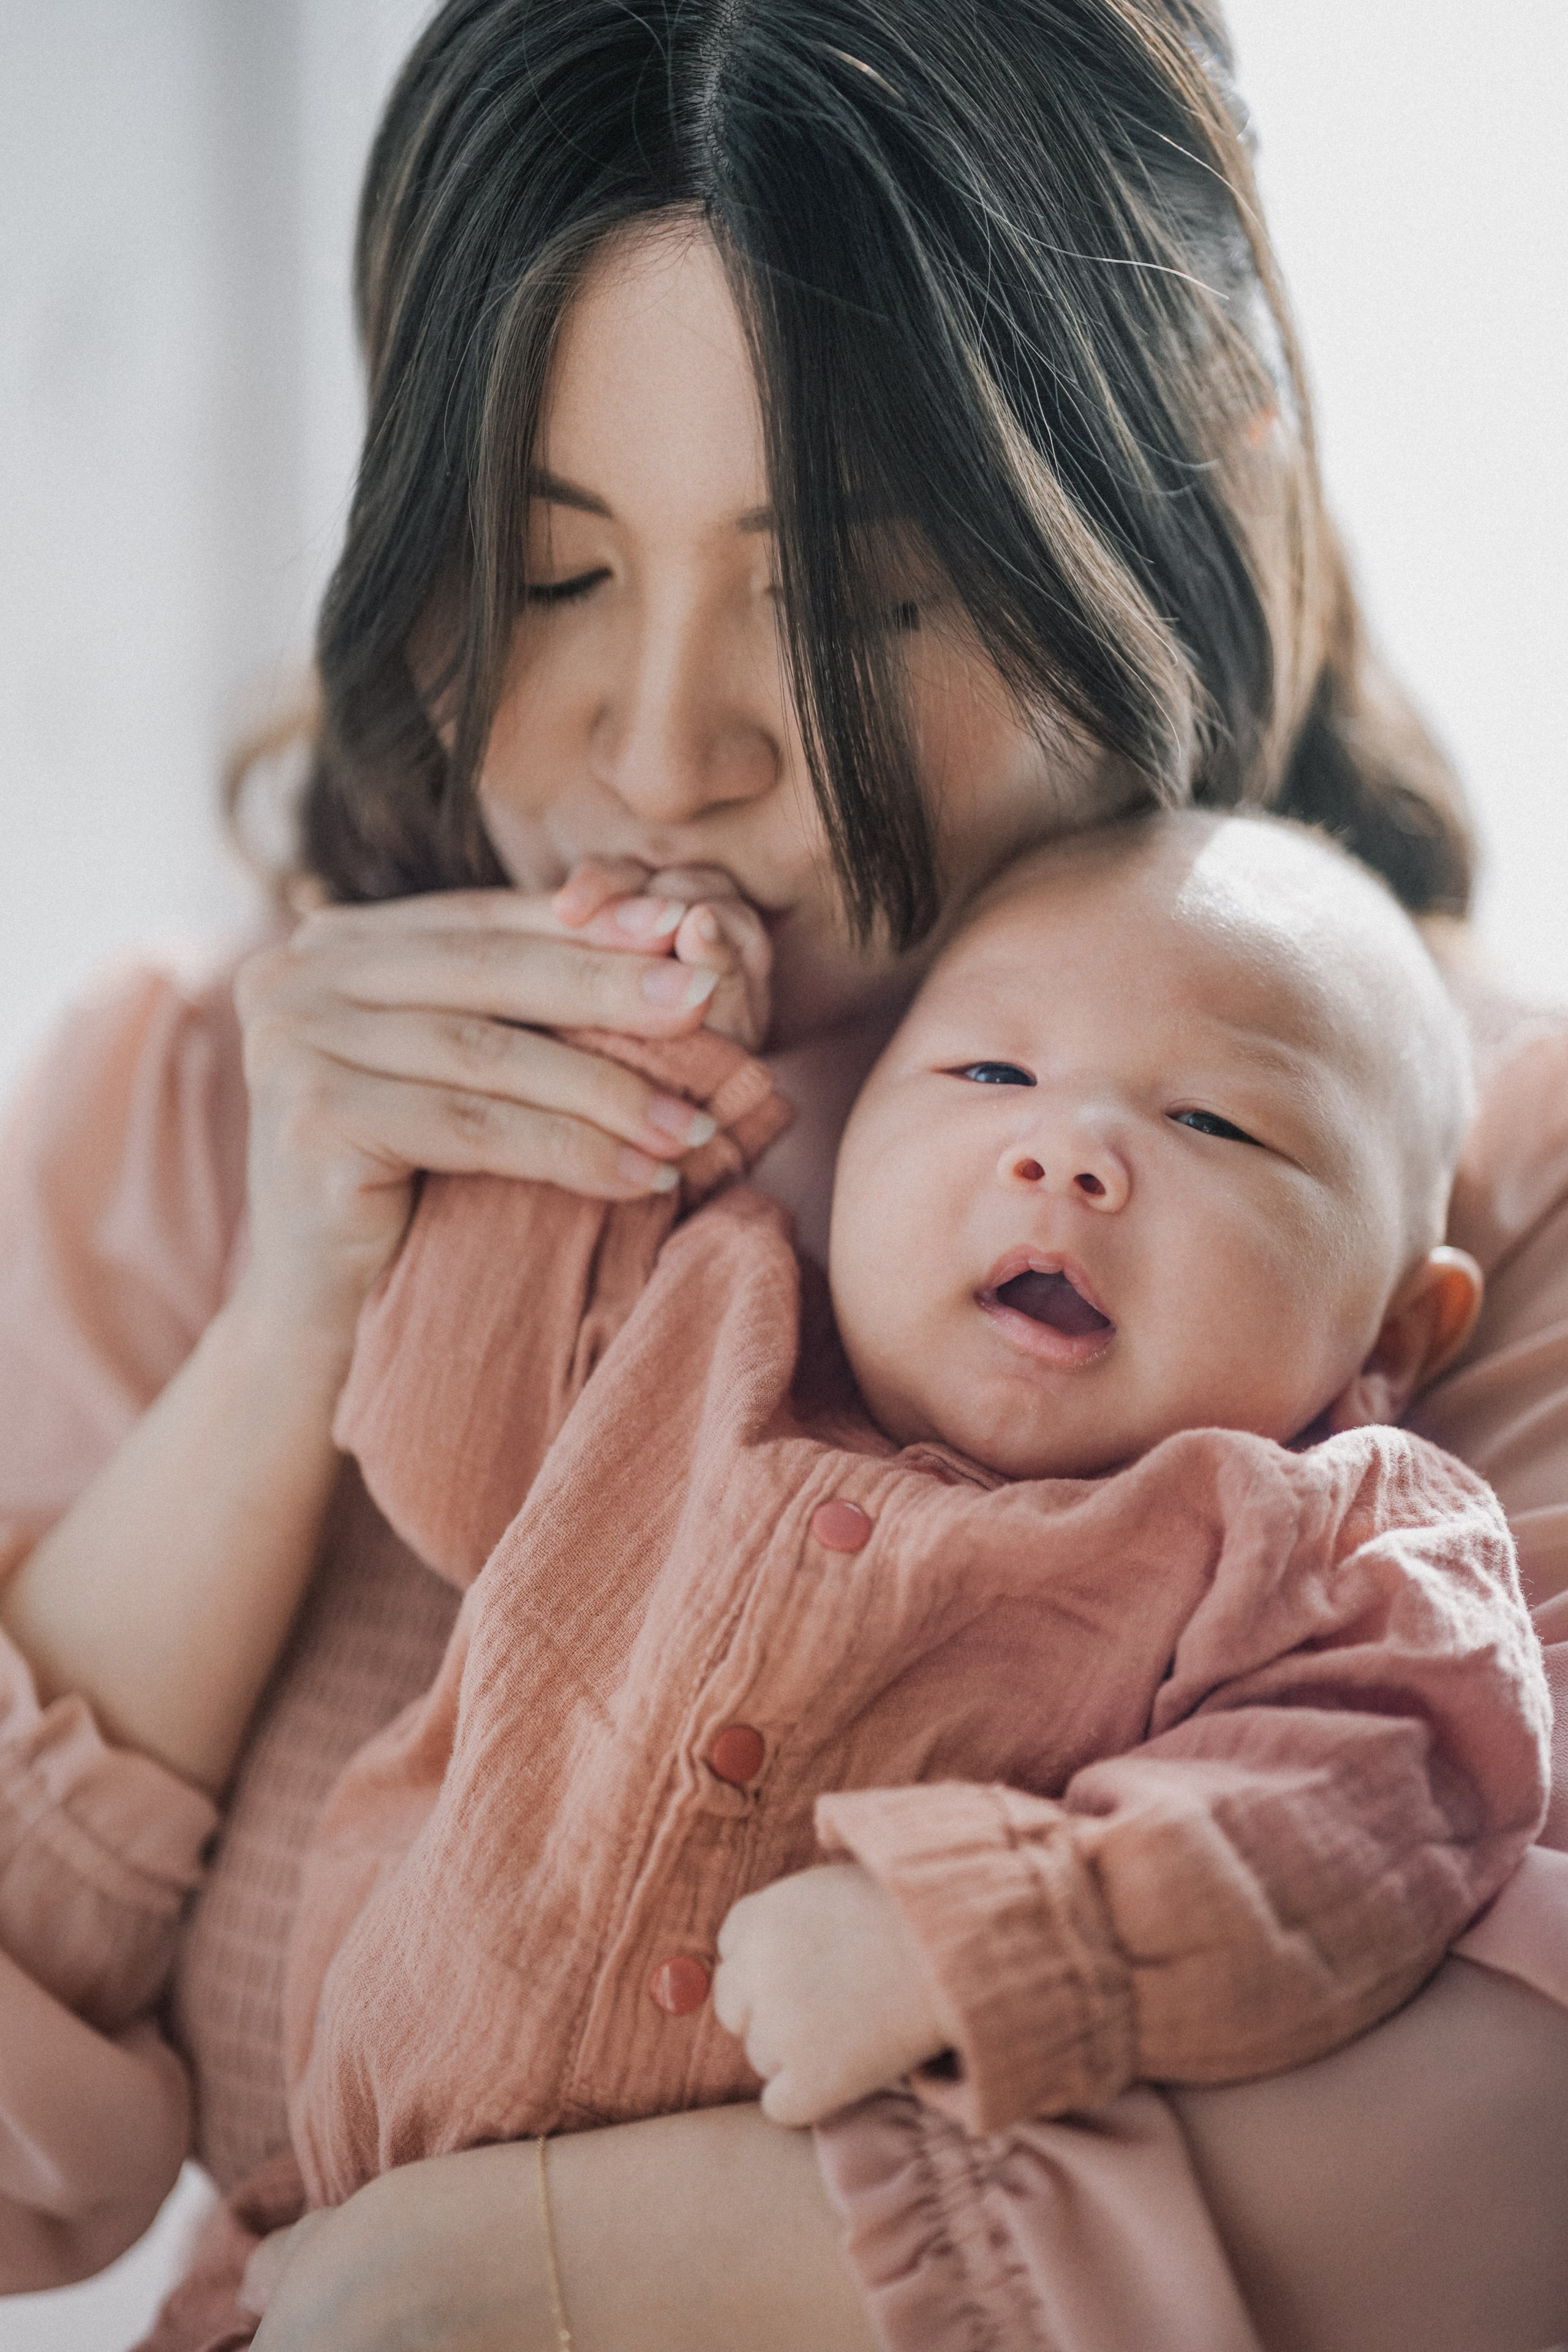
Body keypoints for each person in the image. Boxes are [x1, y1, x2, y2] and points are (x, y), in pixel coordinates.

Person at [0, 4, 1564, 2348]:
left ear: (1186, 501)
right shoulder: (181, 1106)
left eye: (855, 589)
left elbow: (1513, 2167)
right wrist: (289, 1324)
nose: (665, 751)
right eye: (549, 578)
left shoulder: (1482, 1189)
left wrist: (507, 2279)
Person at [271, 810, 1546, 2238]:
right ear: (850, 1134)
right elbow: (447, 1432)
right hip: (313, 2230)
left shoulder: (1321, 1533)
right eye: (988, 1070)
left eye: (1214, 1122)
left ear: (1397, 1319)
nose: (1064, 1154)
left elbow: (1378, 1799)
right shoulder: (710, 1319)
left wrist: (981, 1933)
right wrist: (648, 1036)